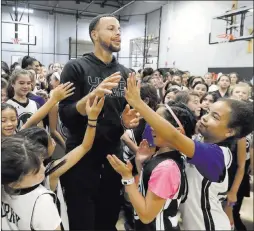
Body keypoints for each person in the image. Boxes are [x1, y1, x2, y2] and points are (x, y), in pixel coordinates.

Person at [120, 73, 253, 230]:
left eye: (215, 117)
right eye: (208, 112)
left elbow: (173, 136)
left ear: (230, 131)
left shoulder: (217, 155)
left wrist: (139, 103)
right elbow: (156, 134)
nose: (204, 118)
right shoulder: (196, 142)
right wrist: (128, 122)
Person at [58, 14, 139, 230]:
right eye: (111, 28)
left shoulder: (125, 73)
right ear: (95, 34)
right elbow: (65, 114)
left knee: (108, 218)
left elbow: (119, 120)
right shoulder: (76, 68)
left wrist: (126, 121)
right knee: (81, 221)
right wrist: (89, 98)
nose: (118, 33)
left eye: (120, 29)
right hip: (81, 157)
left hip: (113, 155)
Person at [17, 95, 104, 230]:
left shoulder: (14, 173)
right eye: (49, 140)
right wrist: (92, 119)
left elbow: (23, 133)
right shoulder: (50, 172)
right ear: (41, 152)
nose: (52, 140)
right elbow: (84, 146)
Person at [107, 102, 196, 231]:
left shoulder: (167, 167)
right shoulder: (163, 156)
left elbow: (146, 215)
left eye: (157, 122)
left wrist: (127, 178)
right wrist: (140, 163)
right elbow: (150, 189)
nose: (151, 127)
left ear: (176, 131)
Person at [1, 136, 62, 230]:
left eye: (42, 162)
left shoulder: (4, 186)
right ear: (17, 179)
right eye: (36, 171)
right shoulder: (42, 201)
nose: (44, 169)